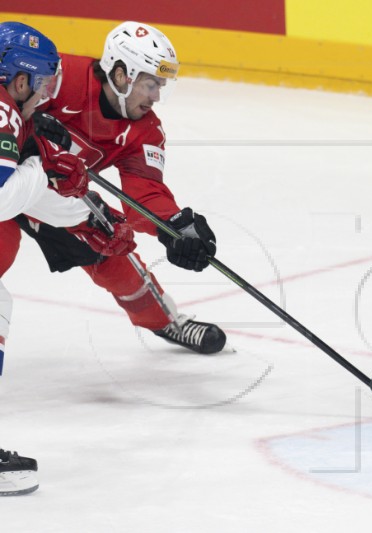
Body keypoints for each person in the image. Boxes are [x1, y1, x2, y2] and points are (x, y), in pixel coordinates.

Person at [2, 21, 225, 355]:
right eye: (150, 84)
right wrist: (32, 130)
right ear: (121, 75)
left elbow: (145, 191)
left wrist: (175, 227)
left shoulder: (146, 132)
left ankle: (166, 320)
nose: (157, 96)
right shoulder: (61, 76)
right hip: (11, 178)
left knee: (114, 259)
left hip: (60, 194)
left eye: (161, 86)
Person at [0, 21, 135, 495]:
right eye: (39, 85)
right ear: (19, 81)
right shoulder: (4, 111)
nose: (43, 96)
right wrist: (40, 166)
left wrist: (86, 213)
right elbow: (3, 198)